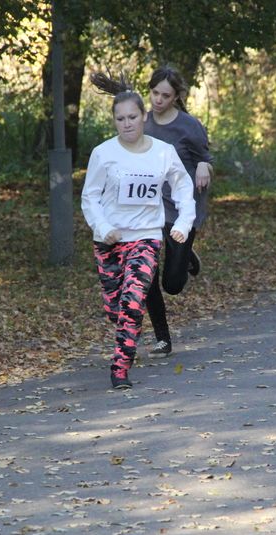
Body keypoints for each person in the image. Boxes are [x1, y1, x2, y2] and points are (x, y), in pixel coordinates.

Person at [82, 73, 195, 389]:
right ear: (114, 121)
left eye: (132, 117)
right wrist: (102, 227)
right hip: (109, 241)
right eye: (120, 119)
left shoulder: (162, 152)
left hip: (146, 237)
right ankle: (125, 325)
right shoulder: (103, 153)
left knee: (133, 302)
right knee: (117, 310)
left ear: (144, 117)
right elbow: (90, 197)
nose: (127, 123)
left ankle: (120, 368)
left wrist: (184, 223)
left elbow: (183, 188)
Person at [142, 66, 214, 359]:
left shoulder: (188, 126)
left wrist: (201, 166)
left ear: (176, 97)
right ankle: (162, 339)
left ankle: (186, 259)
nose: (159, 100)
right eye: (155, 93)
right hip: (146, 209)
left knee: (171, 284)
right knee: (145, 273)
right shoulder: (142, 122)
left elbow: (206, 158)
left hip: (182, 209)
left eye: (165, 95)